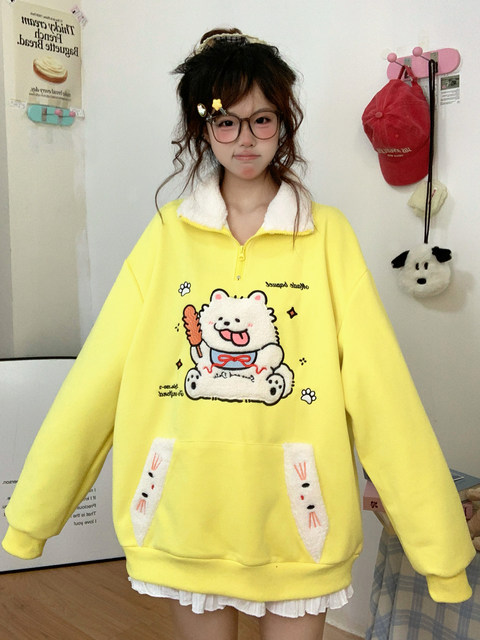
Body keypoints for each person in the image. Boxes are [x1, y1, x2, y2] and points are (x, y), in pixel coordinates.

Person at [2, 28, 475, 640]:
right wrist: (34, 516)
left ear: (284, 123)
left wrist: (440, 551)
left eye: (262, 120)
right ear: (202, 129)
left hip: (301, 527)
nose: (245, 139)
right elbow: (96, 379)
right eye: (225, 122)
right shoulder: (167, 236)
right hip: (184, 520)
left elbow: (382, 391)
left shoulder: (326, 235)